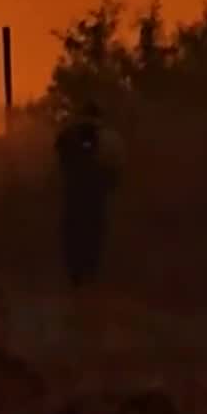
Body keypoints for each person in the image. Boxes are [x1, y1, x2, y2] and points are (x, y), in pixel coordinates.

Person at [53, 101, 121, 289]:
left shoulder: (70, 134)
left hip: (76, 193)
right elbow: (115, 167)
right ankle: (89, 274)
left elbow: (60, 156)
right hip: (94, 194)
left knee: (74, 234)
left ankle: (78, 276)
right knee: (93, 234)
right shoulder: (109, 137)